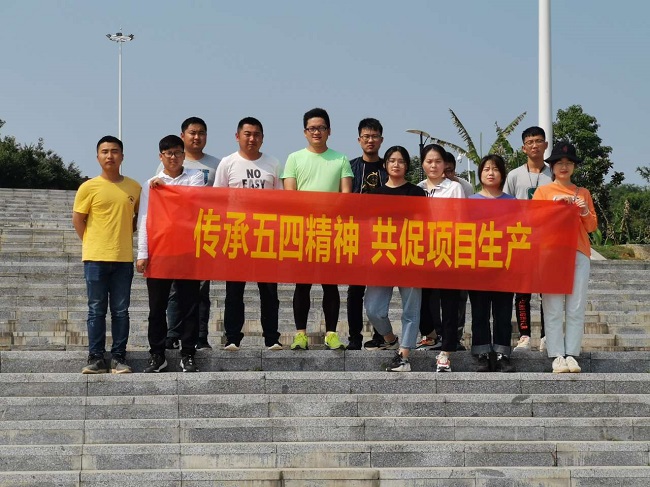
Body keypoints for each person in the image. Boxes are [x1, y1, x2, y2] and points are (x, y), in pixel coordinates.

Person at [281, 107, 353, 350]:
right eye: (312, 128)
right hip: (303, 231)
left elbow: (346, 196)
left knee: (330, 284)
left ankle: (331, 334)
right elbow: (290, 195)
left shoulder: (340, 159)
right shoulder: (294, 158)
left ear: (329, 131)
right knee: (302, 284)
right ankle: (300, 334)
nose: (316, 132)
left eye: (321, 128)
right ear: (305, 132)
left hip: (330, 231)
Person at [213, 117, 283, 350]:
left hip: (266, 236)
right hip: (237, 235)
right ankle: (232, 337)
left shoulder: (273, 163)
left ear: (262, 138)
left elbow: (281, 200)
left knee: (269, 291)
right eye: (247, 134)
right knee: (234, 291)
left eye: (256, 134)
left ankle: (272, 338)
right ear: (237, 136)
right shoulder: (228, 163)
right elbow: (218, 200)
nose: (252, 139)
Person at [72, 136, 141, 374]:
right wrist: (92, 242)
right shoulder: (88, 187)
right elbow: (78, 220)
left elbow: (139, 218)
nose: (109, 156)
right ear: (98, 157)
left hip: (123, 259)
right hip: (95, 258)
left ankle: (118, 357)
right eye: (105, 151)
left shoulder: (134, 187)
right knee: (96, 310)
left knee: (121, 311)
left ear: (122, 156)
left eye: (114, 151)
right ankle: (96, 357)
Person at [137, 135, 205, 373]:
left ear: (184, 155)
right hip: (159, 251)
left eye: (177, 152)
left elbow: (192, 200)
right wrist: (142, 252)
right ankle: (157, 354)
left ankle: (188, 353)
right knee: (157, 307)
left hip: (187, 250)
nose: (173, 157)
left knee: (189, 306)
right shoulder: (150, 184)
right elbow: (144, 218)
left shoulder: (195, 177)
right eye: (168, 153)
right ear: (160, 156)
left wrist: (165, 189)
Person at [533, 142, 597, 374]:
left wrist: (584, 210)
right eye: (559, 162)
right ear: (552, 166)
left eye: (569, 163)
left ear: (574, 167)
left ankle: (571, 354)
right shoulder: (543, 192)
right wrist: (554, 205)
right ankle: (556, 355)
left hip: (578, 252)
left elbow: (591, 226)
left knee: (576, 305)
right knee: (552, 306)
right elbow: (534, 221)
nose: (564, 166)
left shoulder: (583, 193)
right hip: (551, 253)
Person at [158, 117, 220, 350]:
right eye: (192, 132)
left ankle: (200, 337)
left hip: (203, 236)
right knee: (175, 289)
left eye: (201, 133)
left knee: (202, 290)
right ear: (183, 135)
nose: (197, 137)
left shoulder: (217, 164)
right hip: (175, 238)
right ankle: (173, 334)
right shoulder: (168, 163)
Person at [364, 146, 426, 371]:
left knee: (411, 310)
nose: (396, 164)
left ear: (407, 165)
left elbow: (422, 224)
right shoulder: (375, 195)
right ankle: (390, 339)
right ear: (385, 165)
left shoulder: (416, 193)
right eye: (392, 160)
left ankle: (404, 355)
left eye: (401, 161)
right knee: (373, 309)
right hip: (383, 256)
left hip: (409, 256)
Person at [417, 144, 465, 372]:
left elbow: (461, 218)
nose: (434, 165)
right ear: (422, 164)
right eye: (429, 161)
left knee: (449, 301)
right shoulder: (417, 189)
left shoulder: (454, 188)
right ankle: (431, 336)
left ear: (445, 164)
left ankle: (447, 350)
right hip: (422, 252)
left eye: (438, 161)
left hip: (448, 250)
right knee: (425, 299)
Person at [504, 126, 552, 352]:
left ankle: (546, 335)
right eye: (530, 142)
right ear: (523, 148)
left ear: (546, 145)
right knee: (522, 291)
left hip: (547, 241)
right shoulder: (514, 175)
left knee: (546, 292)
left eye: (538, 141)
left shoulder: (554, 175)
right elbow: (506, 207)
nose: (534, 145)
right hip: (521, 239)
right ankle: (524, 335)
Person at [468, 155, 515, 372]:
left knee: (503, 312)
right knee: (480, 312)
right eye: (486, 169)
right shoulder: (470, 201)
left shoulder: (512, 202)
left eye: (495, 169)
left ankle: (502, 353)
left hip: (504, 265)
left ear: (502, 174)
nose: (490, 173)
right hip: (477, 265)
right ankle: (482, 353)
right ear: (480, 174)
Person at [346, 118, 388, 351]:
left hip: (382, 237)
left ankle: (380, 336)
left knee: (379, 290)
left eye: (374, 136)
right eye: (366, 136)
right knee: (355, 291)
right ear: (359, 139)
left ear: (381, 140)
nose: (370, 140)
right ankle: (354, 337)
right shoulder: (350, 167)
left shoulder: (388, 167)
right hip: (356, 237)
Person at [443, 151, 474, 350]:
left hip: (459, 248)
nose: (446, 175)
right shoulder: (423, 187)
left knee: (460, 296)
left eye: (450, 171)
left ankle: (457, 335)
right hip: (434, 249)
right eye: (443, 171)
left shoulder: (465, 187)